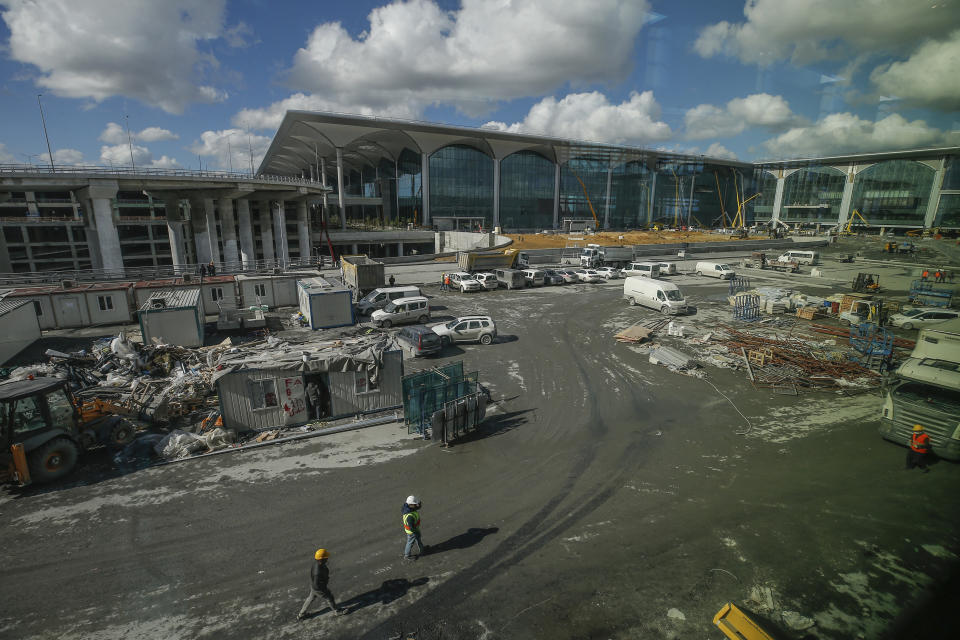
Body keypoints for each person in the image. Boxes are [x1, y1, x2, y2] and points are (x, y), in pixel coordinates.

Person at [298, 548, 344, 620]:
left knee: (310, 598)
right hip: (318, 588)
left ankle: (301, 614)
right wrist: (324, 590)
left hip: (313, 586)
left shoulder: (316, 563)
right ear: (321, 559)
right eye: (326, 558)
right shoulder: (318, 572)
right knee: (330, 597)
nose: (327, 559)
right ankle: (337, 611)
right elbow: (317, 584)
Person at [402, 495, 425, 560]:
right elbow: (411, 527)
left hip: (414, 529)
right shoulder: (410, 516)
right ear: (410, 505)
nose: (416, 505)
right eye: (415, 504)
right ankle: (407, 555)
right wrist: (415, 532)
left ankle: (422, 550)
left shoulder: (409, 508)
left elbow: (416, 507)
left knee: (418, 540)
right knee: (410, 542)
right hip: (412, 532)